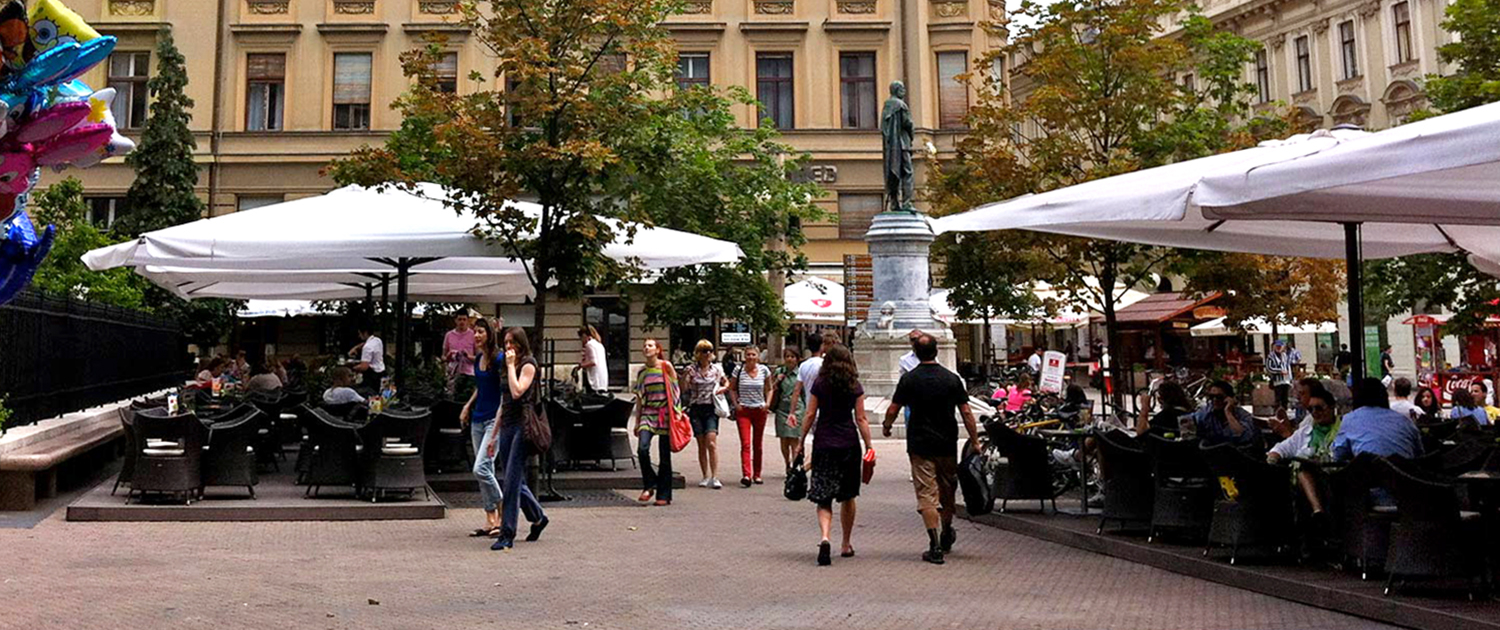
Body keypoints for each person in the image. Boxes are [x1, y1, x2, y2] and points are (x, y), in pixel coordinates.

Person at [883, 333, 979, 565]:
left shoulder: (910, 379)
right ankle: (947, 530)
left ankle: (934, 543)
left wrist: (887, 426)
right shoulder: (951, 379)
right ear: (936, 351)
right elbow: (966, 412)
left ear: (915, 353)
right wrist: (975, 440)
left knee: (927, 493)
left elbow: (893, 408)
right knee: (947, 490)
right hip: (946, 443)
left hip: (920, 444)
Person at [792, 344, 874, 566]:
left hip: (824, 443)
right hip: (848, 443)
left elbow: (810, 414)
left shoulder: (820, 384)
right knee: (848, 495)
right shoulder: (854, 385)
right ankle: (846, 543)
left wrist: (801, 442)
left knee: (824, 495)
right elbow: (861, 418)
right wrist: (869, 445)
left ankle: (825, 537)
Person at [490, 327, 548, 551]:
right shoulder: (507, 367)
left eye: (512, 343)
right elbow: (504, 402)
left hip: (523, 427)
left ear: (521, 345)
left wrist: (512, 366)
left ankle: (507, 533)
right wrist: (493, 436)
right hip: (507, 425)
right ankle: (538, 517)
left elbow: (517, 392)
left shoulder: (528, 365)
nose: (508, 348)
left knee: (511, 482)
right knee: (514, 477)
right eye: (505, 343)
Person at [1266, 389, 1341, 540]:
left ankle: (1317, 512)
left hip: (1336, 480)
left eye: (1319, 408)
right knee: (1302, 467)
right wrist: (1272, 458)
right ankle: (1317, 513)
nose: (1315, 412)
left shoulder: (1343, 429)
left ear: (1332, 407)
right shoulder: (1306, 430)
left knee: (1302, 468)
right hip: (1305, 485)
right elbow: (1282, 448)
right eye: (1311, 409)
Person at [460, 317, 505, 539]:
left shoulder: (499, 358)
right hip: (477, 420)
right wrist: (468, 406)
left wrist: (499, 422)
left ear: (489, 334)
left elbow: (504, 391)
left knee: (481, 468)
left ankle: (504, 510)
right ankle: (490, 518)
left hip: (493, 421)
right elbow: (481, 387)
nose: (476, 336)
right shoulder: (478, 358)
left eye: (480, 332)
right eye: (474, 332)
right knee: (485, 471)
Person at [1332, 377, 1424, 462]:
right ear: (1385, 397)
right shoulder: (1405, 422)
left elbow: (1338, 454)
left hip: (1367, 476)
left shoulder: (1350, 419)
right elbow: (1419, 454)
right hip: (1405, 476)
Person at [633, 338, 677, 506]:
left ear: (658, 349)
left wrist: (677, 413)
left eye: (650, 345)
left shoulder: (666, 367)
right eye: (644, 345)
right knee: (642, 449)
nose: (646, 348)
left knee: (664, 456)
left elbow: (675, 391)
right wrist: (637, 421)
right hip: (648, 414)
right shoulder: (642, 372)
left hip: (665, 414)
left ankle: (663, 495)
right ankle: (650, 484)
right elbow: (639, 398)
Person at [682, 340, 728, 489]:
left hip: (710, 409)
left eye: (709, 350)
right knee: (701, 444)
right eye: (704, 351)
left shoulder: (716, 369)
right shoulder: (691, 370)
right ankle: (705, 475)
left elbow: (726, 383)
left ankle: (715, 476)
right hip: (696, 408)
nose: (707, 354)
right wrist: (684, 377)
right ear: (698, 353)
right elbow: (684, 388)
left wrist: (722, 389)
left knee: (712, 443)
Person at [728, 346, 772, 487]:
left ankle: (757, 474)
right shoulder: (738, 370)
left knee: (757, 444)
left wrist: (767, 403)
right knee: (745, 443)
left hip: (759, 410)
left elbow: (770, 388)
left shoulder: (764, 371)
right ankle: (746, 474)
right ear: (744, 357)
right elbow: (732, 388)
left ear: (758, 357)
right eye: (748, 355)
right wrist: (736, 404)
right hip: (744, 411)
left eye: (753, 355)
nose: (751, 357)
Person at [1187, 380, 1261, 450]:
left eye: (1219, 397)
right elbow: (1188, 422)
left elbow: (1243, 436)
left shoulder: (1242, 415)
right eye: (1211, 397)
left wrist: (1228, 412)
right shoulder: (1206, 412)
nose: (1215, 400)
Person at [787, 333, 832, 431]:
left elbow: (796, 390)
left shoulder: (803, 365)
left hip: (809, 409)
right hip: (825, 410)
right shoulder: (825, 364)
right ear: (821, 346)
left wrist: (792, 412)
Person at [771, 347, 802, 470]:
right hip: (782, 409)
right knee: (784, 440)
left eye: (792, 357)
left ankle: (794, 466)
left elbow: (803, 393)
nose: (789, 359)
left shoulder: (800, 373)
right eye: (787, 356)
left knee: (794, 439)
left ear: (797, 359)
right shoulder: (779, 371)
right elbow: (770, 389)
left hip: (797, 409)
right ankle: (787, 463)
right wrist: (776, 381)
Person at [443, 311, 477, 399]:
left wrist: (468, 356)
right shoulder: (449, 335)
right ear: (455, 321)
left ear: (468, 321)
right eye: (459, 319)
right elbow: (443, 357)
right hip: (453, 373)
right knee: (453, 397)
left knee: (467, 398)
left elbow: (479, 358)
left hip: (469, 373)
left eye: (464, 319)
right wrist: (448, 356)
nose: (462, 322)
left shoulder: (473, 335)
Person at [348, 323, 386, 391]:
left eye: (360, 333)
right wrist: (356, 347)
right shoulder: (377, 340)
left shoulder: (367, 347)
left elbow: (364, 367)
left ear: (365, 333)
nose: (359, 336)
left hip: (372, 375)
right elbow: (364, 344)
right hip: (381, 371)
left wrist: (352, 368)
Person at [576, 325, 609, 392]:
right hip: (602, 380)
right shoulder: (599, 344)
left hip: (595, 381)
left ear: (585, 335)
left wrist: (581, 365)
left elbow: (593, 362)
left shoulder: (589, 345)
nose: (581, 340)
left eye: (581, 337)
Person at [1266, 340, 1293, 411]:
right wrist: (1279, 371)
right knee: (1278, 398)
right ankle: (1277, 413)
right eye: (1277, 346)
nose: (1279, 348)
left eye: (1280, 346)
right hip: (1277, 381)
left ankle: (1285, 412)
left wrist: (1290, 378)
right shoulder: (1270, 357)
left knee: (1285, 398)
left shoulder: (1284, 356)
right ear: (1273, 347)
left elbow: (1288, 367)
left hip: (1286, 380)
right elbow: (1269, 368)